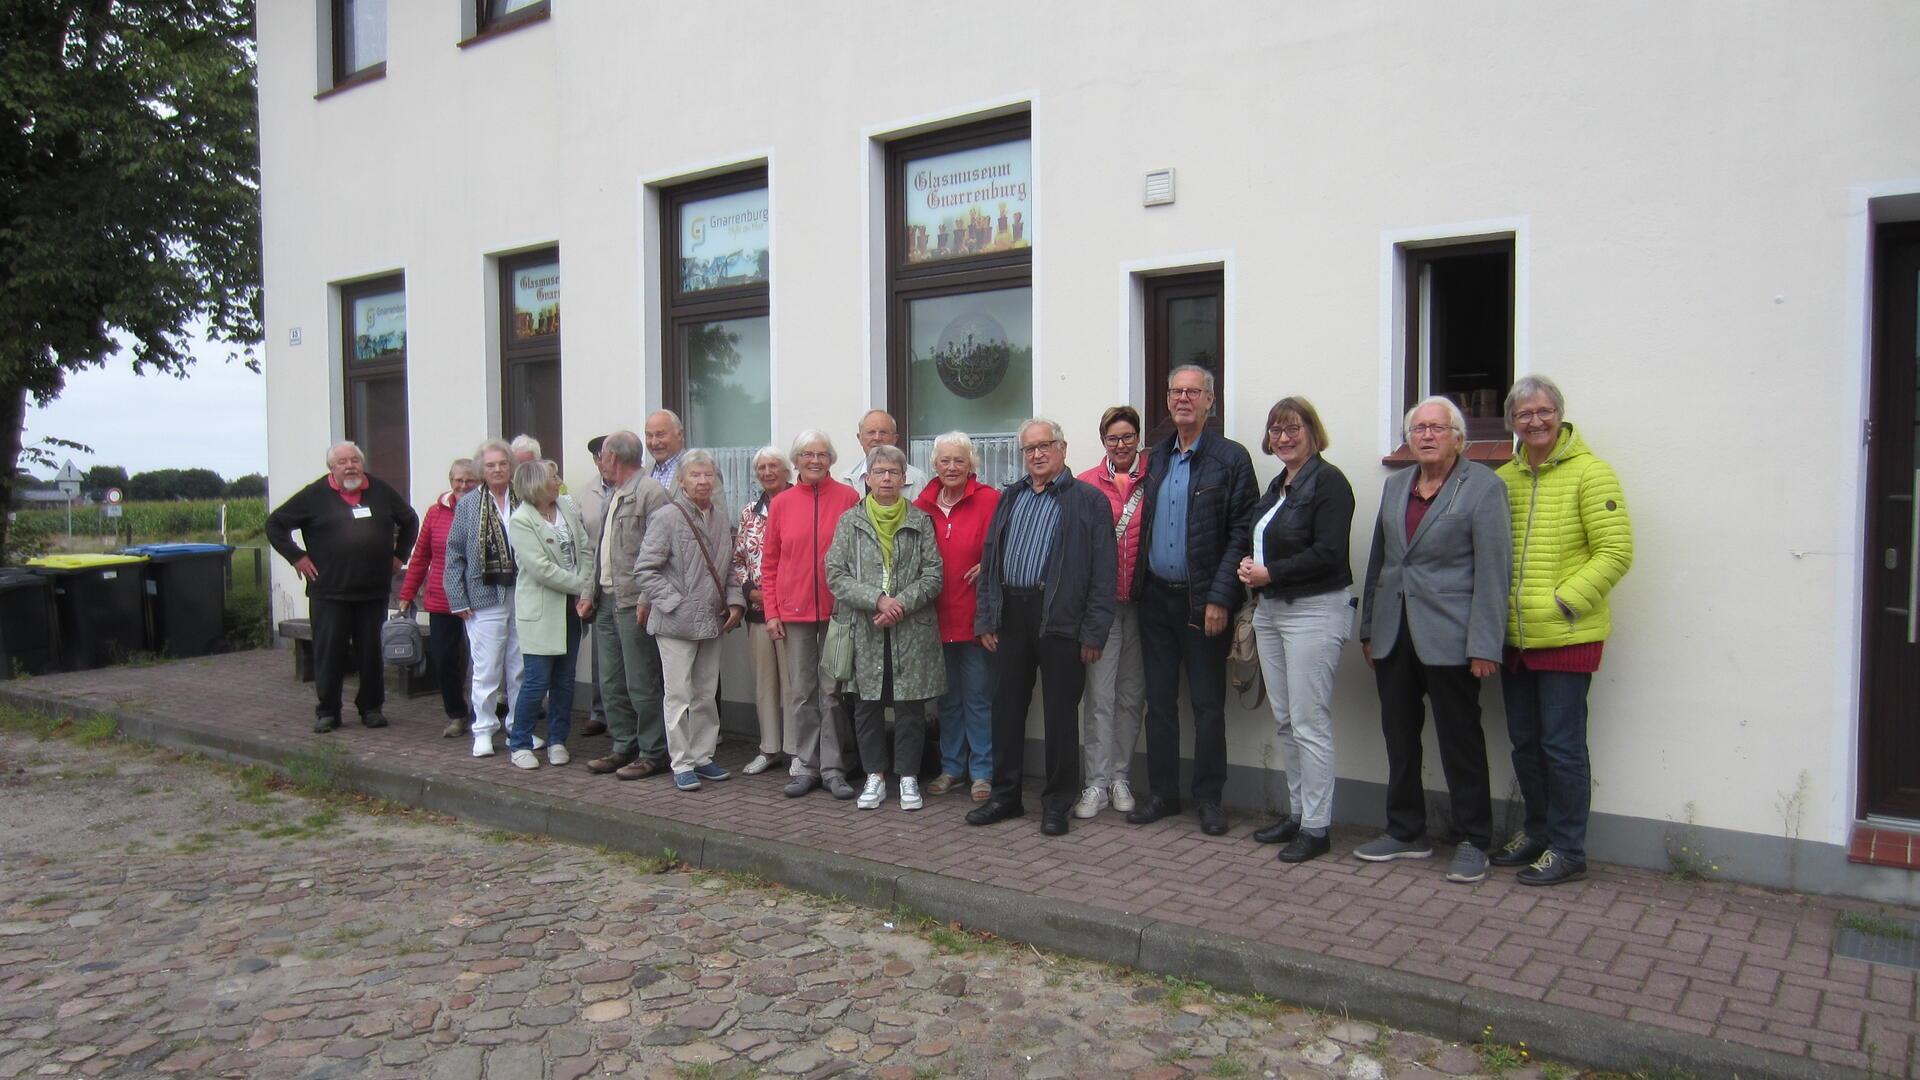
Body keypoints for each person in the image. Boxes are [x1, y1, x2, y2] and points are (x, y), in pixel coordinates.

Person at [1358, 396, 1513, 884]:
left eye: (1436, 428)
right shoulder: (1397, 486)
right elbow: (1380, 563)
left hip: (1452, 636)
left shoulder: (1483, 488)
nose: (1426, 436)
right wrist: (1368, 627)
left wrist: (1486, 643)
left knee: (1459, 738)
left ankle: (1473, 838)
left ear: (1458, 437)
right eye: (1418, 429)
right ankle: (1406, 831)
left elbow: (1494, 571)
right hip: (1394, 633)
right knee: (1399, 737)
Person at [1491, 375, 1633, 886]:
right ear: (1512, 422)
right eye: (1524, 414)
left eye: (1544, 411)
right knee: (1525, 745)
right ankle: (1537, 832)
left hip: (1567, 637)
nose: (1535, 421)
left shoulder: (1591, 474)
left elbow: (1615, 553)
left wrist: (1564, 602)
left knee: (1562, 747)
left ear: (1560, 414)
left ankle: (1568, 848)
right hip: (1515, 638)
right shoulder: (1503, 479)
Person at [967, 419, 1117, 836]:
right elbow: (991, 559)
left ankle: (1056, 803)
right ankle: (1005, 796)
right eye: (1029, 448)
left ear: (1063, 448)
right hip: (1011, 616)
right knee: (1007, 711)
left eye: (1044, 446)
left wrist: (1093, 632)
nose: (1036, 454)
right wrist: (987, 618)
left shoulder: (1087, 500)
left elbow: (1104, 573)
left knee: (1059, 715)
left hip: (1061, 620)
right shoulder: (1010, 497)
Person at [1130, 365, 1258, 836]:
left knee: (1207, 706)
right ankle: (1163, 794)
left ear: (1210, 400)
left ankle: (1209, 799)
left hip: (1204, 602)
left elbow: (1242, 532)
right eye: (1176, 392)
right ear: (1167, 401)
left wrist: (1221, 595)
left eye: (1193, 392)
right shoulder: (1156, 457)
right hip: (1155, 600)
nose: (1183, 399)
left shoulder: (1231, 459)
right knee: (1159, 703)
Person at [1236, 397, 1356, 864]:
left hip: (1313, 611)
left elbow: (1329, 553)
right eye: (1276, 431)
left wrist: (1272, 573)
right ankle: (1298, 812)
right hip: (1272, 610)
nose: (1283, 438)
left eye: (1293, 429)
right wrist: (1252, 567)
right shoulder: (1279, 484)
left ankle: (1318, 826)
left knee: (1309, 722)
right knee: (1286, 720)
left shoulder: (1329, 483)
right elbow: (1266, 539)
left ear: (1312, 431)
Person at [267, 442, 418, 733]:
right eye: (342, 462)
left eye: (354, 461)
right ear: (331, 468)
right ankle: (328, 712)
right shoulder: (314, 496)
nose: (350, 466)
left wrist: (400, 556)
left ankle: (372, 708)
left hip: (372, 590)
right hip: (330, 592)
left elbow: (410, 520)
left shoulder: (381, 491)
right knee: (329, 653)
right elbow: (275, 524)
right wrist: (297, 557)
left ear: (362, 464)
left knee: (371, 654)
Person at [827, 445, 946, 810]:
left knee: (910, 706)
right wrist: (877, 600)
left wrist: (899, 606)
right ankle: (874, 776)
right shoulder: (850, 521)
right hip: (865, 627)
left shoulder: (920, 520)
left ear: (904, 478)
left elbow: (933, 574)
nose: (887, 478)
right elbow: (836, 573)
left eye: (894, 472)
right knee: (867, 705)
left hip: (911, 630)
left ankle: (908, 777)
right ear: (868, 478)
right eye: (879, 472)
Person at [635, 450, 745, 791]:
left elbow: (727, 570)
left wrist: (736, 601)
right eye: (695, 475)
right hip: (675, 625)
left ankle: (702, 757)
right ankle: (681, 762)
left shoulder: (720, 518)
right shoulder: (667, 517)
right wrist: (676, 603)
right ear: (681, 480)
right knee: (678, 696)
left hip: (712, 622)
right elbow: (645, 570)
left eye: (708, 475)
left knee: (705, 694)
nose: (702, 481)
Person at [761, 430, 862, 800]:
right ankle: (806, 765)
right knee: (802, 692)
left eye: (821, 454)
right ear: (797, 460)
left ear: (831, 459)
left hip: (838, 613)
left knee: (833, 693)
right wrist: (772, 611)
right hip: (795, 612)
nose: (815, 460)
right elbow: (769, 563)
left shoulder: (849, 498)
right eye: (807, 454)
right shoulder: (783, 503)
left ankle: (835, 768)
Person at [582, 431, 676, 781]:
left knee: (641, 680)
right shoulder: (614, 493)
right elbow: (598, 549)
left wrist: (646, 598)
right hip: (607, 598)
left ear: (614, 458)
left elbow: (664, 550)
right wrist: (588, 593)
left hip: (634, 600)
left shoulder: (651, 493)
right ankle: (624, 745)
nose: (600, 463)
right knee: (611, 680)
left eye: (602, 456)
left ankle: (653, 751)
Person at [912, 431, 999, 801]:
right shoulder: (921, 505)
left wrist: (990, 563)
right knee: (946, 700)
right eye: (945, 460)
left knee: (978, 698)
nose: (951, 467)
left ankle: (982, 771)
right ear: (934, 465)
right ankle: (952, 768)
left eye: (959, 460)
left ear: (971, 465)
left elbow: (1009, 547)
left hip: (976, 620)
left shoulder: (991, 500)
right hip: (934, 621)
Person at [1074, 406, 1149, 819]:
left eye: (1127, 437)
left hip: (1141, 606)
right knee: (1100, 697)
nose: (1121, 445)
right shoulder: (1086, 484)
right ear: (1103, 441)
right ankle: (1095, 783)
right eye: (1112, 439)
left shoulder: (1153, 479)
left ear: (1138, 438)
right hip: (1101, 608)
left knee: (1131, 696)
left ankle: (1121, 776)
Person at [505, 460, 594, 769]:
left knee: (565, 680)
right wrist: (582, 585)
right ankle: (520, 743)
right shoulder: (521, 520)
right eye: (554, 477)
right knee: (536, 680)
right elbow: (540, 569)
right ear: (537, 484)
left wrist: (585, 592)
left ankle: (558, 740)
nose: (559, 481)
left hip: (572, 608)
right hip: (542, 611)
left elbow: (584, 548)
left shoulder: (565, 508)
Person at [444, 439, 527, 758]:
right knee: (487, 668)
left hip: (522, 594)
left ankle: (519, 729)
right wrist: (458, 597)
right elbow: (454, 553)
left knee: (520, 667)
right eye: (490, 465)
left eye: (502, 463)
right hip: (483, 596)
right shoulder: (467, 505)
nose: (497, 469)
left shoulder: (524, 500)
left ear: (511, 467)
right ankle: (484, 729)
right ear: (482, 469)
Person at [397, 458, 480, 738]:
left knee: (479, 660)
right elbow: (420, 557)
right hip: (443, 599)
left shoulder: (486, 511)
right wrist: (407, 594)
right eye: (458, 480)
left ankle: (481, 715)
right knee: (444, 657)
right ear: (450, 481)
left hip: (478, 600)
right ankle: (456, 714)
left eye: (469, 480)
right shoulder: (436, 513)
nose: (463, 485)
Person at [730, 445, 793, 775]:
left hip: (795, 612)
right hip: (758, 610)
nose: (768, 472)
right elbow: (739, 559)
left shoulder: (800, 504)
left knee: (795, 685)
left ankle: (798, 750)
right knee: (765, 683)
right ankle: (769, 748)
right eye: (762, 468)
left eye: (774, 466)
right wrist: (750, 591)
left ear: (787, 470)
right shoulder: (748, 513)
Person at [573, 435, 615, 739]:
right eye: (600, 456)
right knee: (601, 653)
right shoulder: (586, 493)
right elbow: (581, 541)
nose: (605, 461)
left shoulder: (632, 487)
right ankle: (600, 711)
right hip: (595, 578)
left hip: (624, 580)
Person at [837, 409, 927, 497]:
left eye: (883, 432)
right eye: (871, 432)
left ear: (895, 439)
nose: (877, 438)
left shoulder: (918, 480)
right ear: (860, 438)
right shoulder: (846, 480)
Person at [645, 410, 686, 488]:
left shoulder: (698, 470)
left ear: (679, 435)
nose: (654, 443)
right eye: (649, 436)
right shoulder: (644, 473)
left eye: (660, 435)